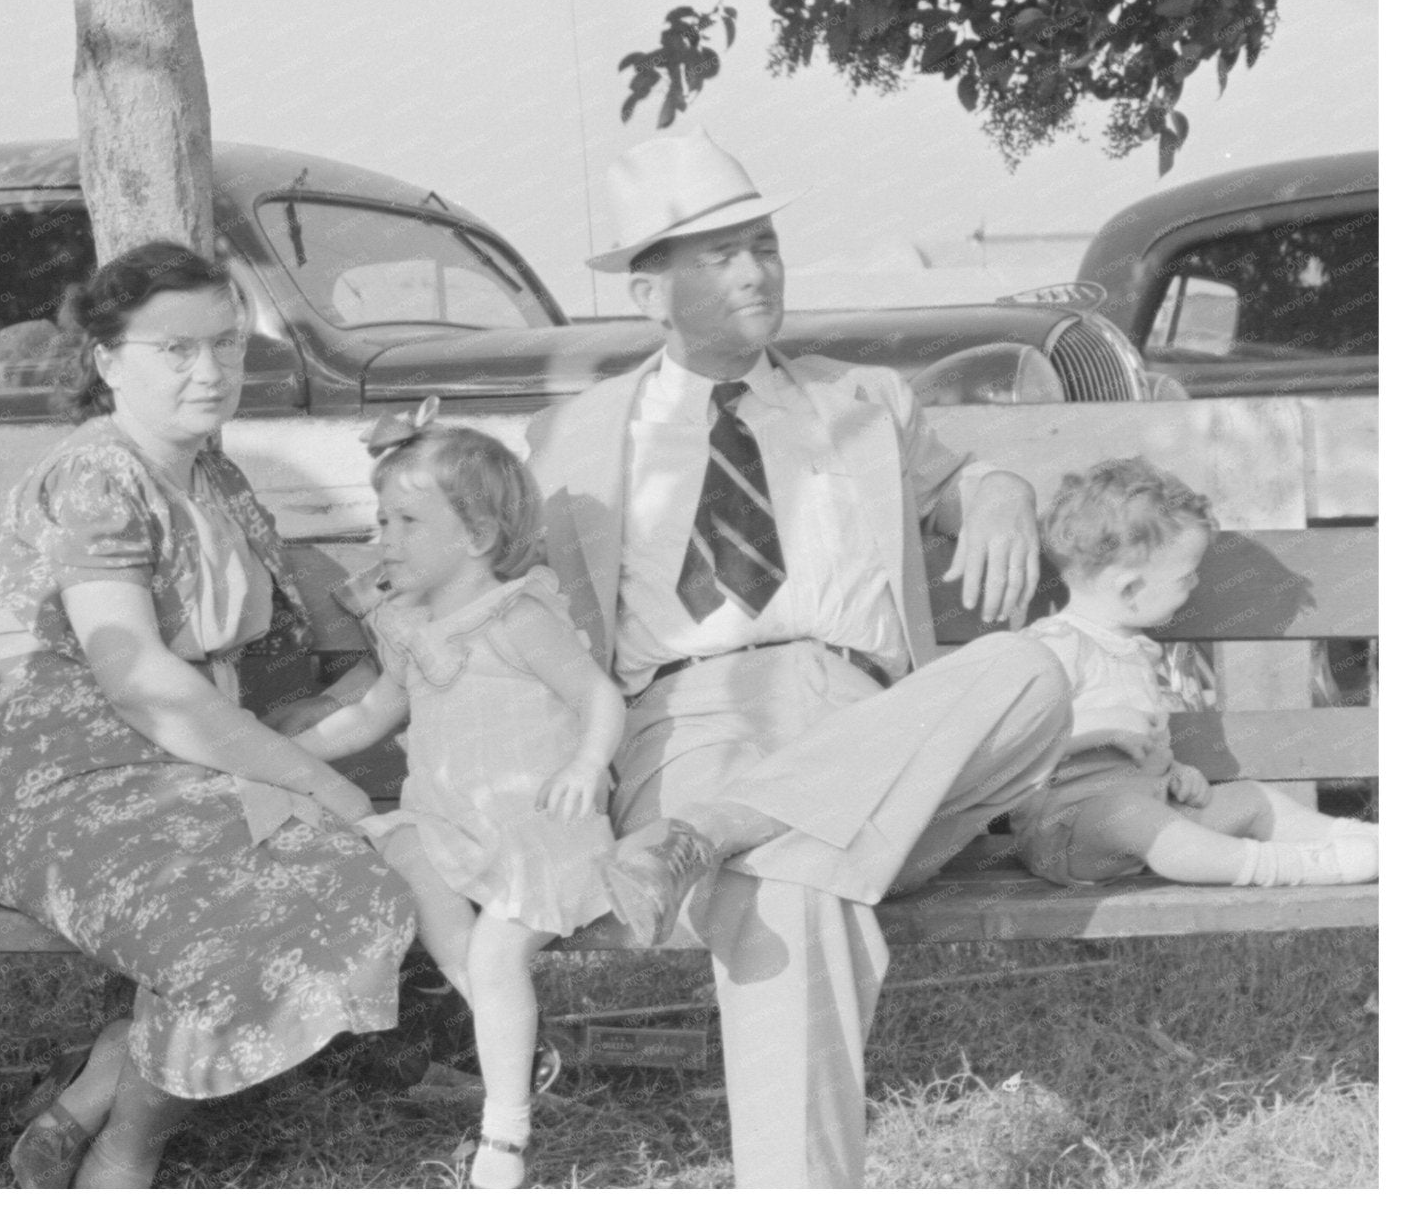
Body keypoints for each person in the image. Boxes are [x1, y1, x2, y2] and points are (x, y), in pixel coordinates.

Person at [522, 127, 1074, 1187]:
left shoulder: (861, 400)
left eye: (764, 244)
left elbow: (961, 486)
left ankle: (711, 838)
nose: (755, 270)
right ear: (648, 293)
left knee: (1031, 671)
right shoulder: (573, 439)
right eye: (719, 254)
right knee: (790, 888)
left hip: (871, 724)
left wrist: (998, 487)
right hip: (685, 726)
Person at [0, 241, 415, 1189]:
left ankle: (117, 1086)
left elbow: (274, 649)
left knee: (362, 866)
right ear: (107, 358)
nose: (210, 371)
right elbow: (136, 678)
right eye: (175, 349)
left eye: (226, 344)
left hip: (185, 773)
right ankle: (132, 1138)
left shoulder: (219, 479)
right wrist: (325, 780)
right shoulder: (94, 477)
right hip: (62, 785)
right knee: (292, 886)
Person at [294, 404, 700, 1188]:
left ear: (477, 537)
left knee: (497, 945)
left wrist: (587, 762)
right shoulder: (411, 626)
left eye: (408, 521)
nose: (385, 538)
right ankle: (508, 1029)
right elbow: (373, 714)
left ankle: (504, 1135)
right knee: (408, 855)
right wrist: (283, 752)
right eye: (381, 519)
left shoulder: (518, 616)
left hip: (540, 825)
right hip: (454, 821)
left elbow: (598, 695)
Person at [1013, 457, 1379, 888]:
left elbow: (1146, 754)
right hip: (1070, 833)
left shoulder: (1136, 653)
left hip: (1152, 816)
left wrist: (1174, 774)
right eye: (1187, 576)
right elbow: (1015, 748)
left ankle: (1371, 842)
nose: (1195, 586)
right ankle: (1294, 867)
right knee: (1130, 818)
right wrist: (1097, 733)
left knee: (1252, 798)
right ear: (1129, 588)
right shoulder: (1053, 646)